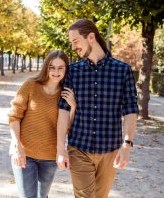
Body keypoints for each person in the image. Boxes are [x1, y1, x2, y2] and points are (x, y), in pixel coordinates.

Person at [57, 19, 139, 198]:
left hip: (110, 150)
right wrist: (60, 148)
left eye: (76, 41)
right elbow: (63, 110)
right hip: (79, 147)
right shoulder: (72, 71)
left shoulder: (122, 71)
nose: (73, 47)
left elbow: (131, 110)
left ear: (91, 37)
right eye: (71, 43)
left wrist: (127, 144)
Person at [8, 50, 76, 198]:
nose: (56, 72)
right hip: (24, 153)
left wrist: (73, 106)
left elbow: (68, 128)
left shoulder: (67, 94)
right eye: (52, 67)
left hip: (50, 157)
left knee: (41, 196)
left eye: (60, 68)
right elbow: (14, 116)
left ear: (66, 69)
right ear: (46, 67)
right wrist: (16, 144)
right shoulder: (31, 85)